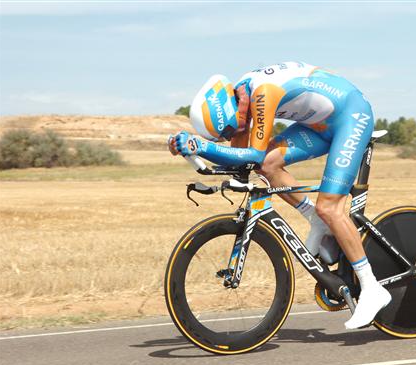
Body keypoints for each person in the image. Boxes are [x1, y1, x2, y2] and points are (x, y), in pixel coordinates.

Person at [168, 61, 391, 329]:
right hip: (318, 125)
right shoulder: (241, 98)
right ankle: (316, 220)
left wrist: (200, 146)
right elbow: (245, 164)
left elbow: (252, 153)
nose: (233, 135)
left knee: (330, 207)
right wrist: (194, 154)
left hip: (350, 117)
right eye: (225, 135)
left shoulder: (263, 93)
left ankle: (372, 288)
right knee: (268, 167)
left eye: (229, 129)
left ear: (232, 108)